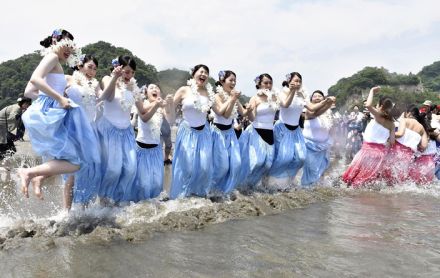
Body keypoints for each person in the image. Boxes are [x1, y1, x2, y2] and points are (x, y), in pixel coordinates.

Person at [18, 29, 100, 200]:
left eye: (71, 46)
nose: (68, 50)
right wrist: (58, 99)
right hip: (50, 114)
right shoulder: (52, 57)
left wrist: (53, 99)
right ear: (55, 42)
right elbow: (34, 80)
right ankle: (29, 172)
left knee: (68, 160)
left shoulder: (57, 63)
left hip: (54, 112)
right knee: (74, 163)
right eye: (65, 45)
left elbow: (31, 90)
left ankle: (36, 176)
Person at [268, 72, 329, 190]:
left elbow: (311, 108)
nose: (297, 83)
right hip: (283, 129)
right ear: (289, 81)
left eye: (299, 81)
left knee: (300, 158)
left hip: (296, 131)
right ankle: (270, 179)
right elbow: (285, 105)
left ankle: (287, 182)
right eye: (295, 81)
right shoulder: (282, 92)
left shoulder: (302, 95)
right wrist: (292, 91)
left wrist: (325, 102)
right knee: (284, 158)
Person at [97, 55, 142, 204]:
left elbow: (141, 110)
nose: (130, 75)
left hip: (127, 132)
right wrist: (115, 78)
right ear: (119, 69)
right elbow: (107, 98)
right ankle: (103, 199)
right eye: (127, 71)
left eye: (132, 72)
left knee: (130, 169)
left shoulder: (134, 87)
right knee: (113, 170)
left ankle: (118, 199)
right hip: (109, 130)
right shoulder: (106, 79)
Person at [62, 54, 102, 209]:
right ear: (79, 66)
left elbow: (103, 97)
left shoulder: (95, 84)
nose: (92, 71)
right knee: (71, 171)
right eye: (89, 67)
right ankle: (66, 211)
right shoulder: (67, 79)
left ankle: (84, 208)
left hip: (90, 130)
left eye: (95, 69)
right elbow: (53, 96)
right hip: (73, 128)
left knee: (89, 170)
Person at [169, 64, 214, 199]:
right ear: (193, 74)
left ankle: (198, 194)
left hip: (204, 132)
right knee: (187, 167)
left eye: (206, 72)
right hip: (187, 131)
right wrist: (167, 104)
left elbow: (219, 110)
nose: (204, 74)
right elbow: (171, 108)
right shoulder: (184, 90)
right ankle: (182, 196)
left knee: (204, 167)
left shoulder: (209, 92)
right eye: (201, 71)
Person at [342, 86, 395, 187]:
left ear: (380, 105)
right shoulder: (391, 124)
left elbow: (368, 105)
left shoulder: (378, 115)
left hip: (367, 152)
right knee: (367, 181)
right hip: (380, 154)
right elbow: (392, 142)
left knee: (352, 179)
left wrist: (371, 91)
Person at [133, 84, 174, 201]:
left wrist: (170, 105)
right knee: (143, 184)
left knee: (156, 184)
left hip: (156, 150)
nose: (155, 89)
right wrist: (156, 105)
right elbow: (144, 119)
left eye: (157, 88)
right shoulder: (142, 104)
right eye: (151, 88)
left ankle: (155, 209)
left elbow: (171, 120)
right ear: (146, 93)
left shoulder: (161, 108)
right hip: (141, 150)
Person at [238, 73, 278, 191]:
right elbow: (251, 118)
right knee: (257, 162)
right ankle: (245, 186)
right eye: (265, 83)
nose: (268, 85)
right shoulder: (255, 98)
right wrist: (249, 110)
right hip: (256, 131)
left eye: (270, 83)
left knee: (268, 164)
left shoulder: (275, 97)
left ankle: (259, 186)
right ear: (259, 84)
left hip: (270, 131)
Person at [210, 70, 246, 196]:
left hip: (230, 133)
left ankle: (225, 191)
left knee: (236, 164)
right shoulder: (215, 96)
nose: (233, 83)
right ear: (222, 81)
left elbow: (244, 112)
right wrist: (232, 99)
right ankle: (211, 189)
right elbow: (224, 114)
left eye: (235, 80)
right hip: (218, 132)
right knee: (222, 167)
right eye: (231, 80)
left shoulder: (233, 96)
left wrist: (252, 108)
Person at [383, 105, 428, 184]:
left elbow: (400, 133)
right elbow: (424, 146)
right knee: (399, 179)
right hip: (408, 155)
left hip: (396, 151)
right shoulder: (422, 128)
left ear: (409, 113)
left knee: (387, 176)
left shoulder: (405, 120)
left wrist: (388, 134)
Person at [301, 90, 336, 187]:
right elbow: (314, 113)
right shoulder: (308, 111)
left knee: (322, 169)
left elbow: (332, 128)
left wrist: (334, 141)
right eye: (314, 96)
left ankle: (318, 190)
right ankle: (306, 189)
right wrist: (327, 103)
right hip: (309, 145)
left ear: (323, 98)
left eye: (319, 96)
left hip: (323, 146)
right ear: (311, 99)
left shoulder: (328, 113)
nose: (316, 97)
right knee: (311, 170)